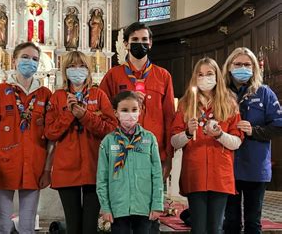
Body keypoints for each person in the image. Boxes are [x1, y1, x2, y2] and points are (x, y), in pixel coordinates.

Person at [0, 42, 52, 233]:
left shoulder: (45, 94)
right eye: (25, 57)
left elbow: (51, 136)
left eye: (35, 59)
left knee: (27, 224)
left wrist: (47, 169)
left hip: (34, 165)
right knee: (3, 223)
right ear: (14, 61)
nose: (30, 62)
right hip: (4, 165)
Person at [43, 51, 117, 234]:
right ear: (65, 71)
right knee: (73, 225)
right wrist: (69, 114)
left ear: (88, 70)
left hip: (95, 167)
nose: (77, 70)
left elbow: (111, 129)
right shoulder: (58, 97)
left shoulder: (98, 95)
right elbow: (50, 132)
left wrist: (85, 115)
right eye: (72, 66)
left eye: (82, 66)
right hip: (67, 170)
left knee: (90, 226)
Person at [171, 57, 243, 234]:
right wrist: (188, 133)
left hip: (220, 175)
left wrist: (219, 134)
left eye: (209, 74)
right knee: (198, 228)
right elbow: (174, 141)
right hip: (195, 174)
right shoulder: (186, 104)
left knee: (216, 228)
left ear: (217, 76)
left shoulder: (229, 103)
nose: (205, 78)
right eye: (200, 75)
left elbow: (236, 142)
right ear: (195, 78)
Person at [99, 21, 175, 188]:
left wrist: (168, 156)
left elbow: (169, 117)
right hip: (120, 150)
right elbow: (103, 111)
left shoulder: (163, 76)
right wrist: (124, 99)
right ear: (126, 44)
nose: (140, 43)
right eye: (134, 40)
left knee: (150, 207)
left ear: (150, 43)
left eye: (144, 39)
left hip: (153, 152)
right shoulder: (113, 75)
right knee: (122, 203)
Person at [221, 48, 282, 233]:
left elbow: (278, 125)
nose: (242, 68)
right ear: (229, 67)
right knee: (230, 221)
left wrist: (254, 131)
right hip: (227, 166)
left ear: (254, 68)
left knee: (253, 222)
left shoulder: (264, 93)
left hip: (255, 167)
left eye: (247, 64)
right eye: (238, 64)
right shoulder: (221, 93)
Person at [97, 91, 163, 234]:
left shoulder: (149, 139)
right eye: (125, 110)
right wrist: (105, 207)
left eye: (134, 110)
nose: (130, 114)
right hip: (118, 208)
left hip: (144, 206)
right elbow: (102, 178)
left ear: (140, 110)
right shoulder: (108, 142)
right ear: (116, 112)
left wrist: (157, 204)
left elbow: (157, 174)